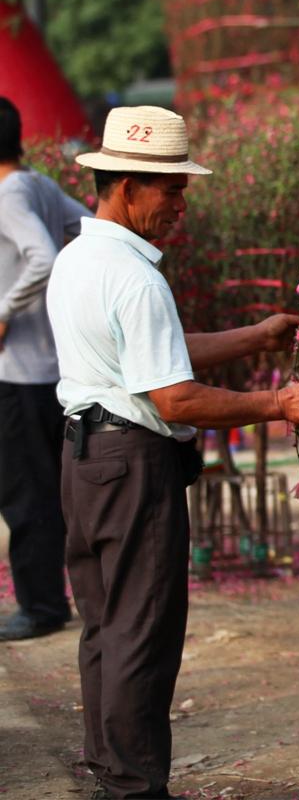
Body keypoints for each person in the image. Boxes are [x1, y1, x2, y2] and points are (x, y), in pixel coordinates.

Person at [47, 105, 299, 800]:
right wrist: (280, 402)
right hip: (131, 465)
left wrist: (254, 337)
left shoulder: (81, 257)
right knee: (141, 632)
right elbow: (174, 397)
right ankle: (135, 787)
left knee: (106, 625)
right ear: (128, 187)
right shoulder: (136, 277)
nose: (181, 205)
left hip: (86, 461)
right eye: (172, 190)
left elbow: (150, 357)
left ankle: (112, 771)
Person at [0, 95, 92, 641]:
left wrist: (5, 310)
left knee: (26, 492)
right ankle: (56, 599)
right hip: (51, 368)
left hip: (18, 373)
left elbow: (43, 255)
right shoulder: (35, 184)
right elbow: (90, 225)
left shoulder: (7, 194)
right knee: (51, 489)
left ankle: (40, 606)